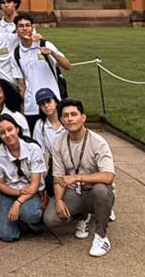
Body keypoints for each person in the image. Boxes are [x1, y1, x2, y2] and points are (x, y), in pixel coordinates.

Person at [50, 97, 116, 258]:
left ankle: (101, 236)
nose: (70, 119)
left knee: (101, 191)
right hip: (75, 191)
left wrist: (77, 178)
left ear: (83, 117)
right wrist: (58, 199)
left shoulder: (98, 142)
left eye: (74, 114)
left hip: (95, 187)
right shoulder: (58, 142)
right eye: (65, 116)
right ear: (61, 120)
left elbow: (109, 176)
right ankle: (84, 215)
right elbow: (58, 178)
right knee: (50, 219)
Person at [0, 114, 46, 242]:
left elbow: (35, 184)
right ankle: (13, 221)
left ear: (17, 129)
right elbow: (1, 185)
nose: (8, 135)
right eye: (2, 133)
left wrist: (18, 202)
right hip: (10, 192)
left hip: (30, 192)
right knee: (6, 235)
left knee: (30, 214)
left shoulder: (33, 149)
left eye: (10, 129)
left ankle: (28, 221)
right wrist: (18, 193)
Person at [13, 13, 70, 131]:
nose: (25, 29)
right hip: (32, 105)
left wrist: (51, 53)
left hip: (52, 102)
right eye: (21, 26)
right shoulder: (16, 53)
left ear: (32, 27)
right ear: (16, 29)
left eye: (27, 25)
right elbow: (21, 84)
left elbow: (67, 65)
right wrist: (22, 107)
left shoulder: (45, 44)